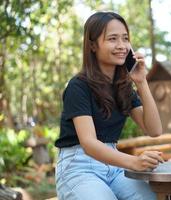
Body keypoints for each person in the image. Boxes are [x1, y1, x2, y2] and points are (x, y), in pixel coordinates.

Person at [54, 11, 163, 200]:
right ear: (93, 45)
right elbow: (89, 143)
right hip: (78, 166)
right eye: (112, 39)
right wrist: (134, 162)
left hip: (113, 165)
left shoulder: (124, 88)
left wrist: (141, 82)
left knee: (151, 197)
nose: (121, 46)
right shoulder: (78, 86)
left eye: (125, 39)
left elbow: (154, 130)